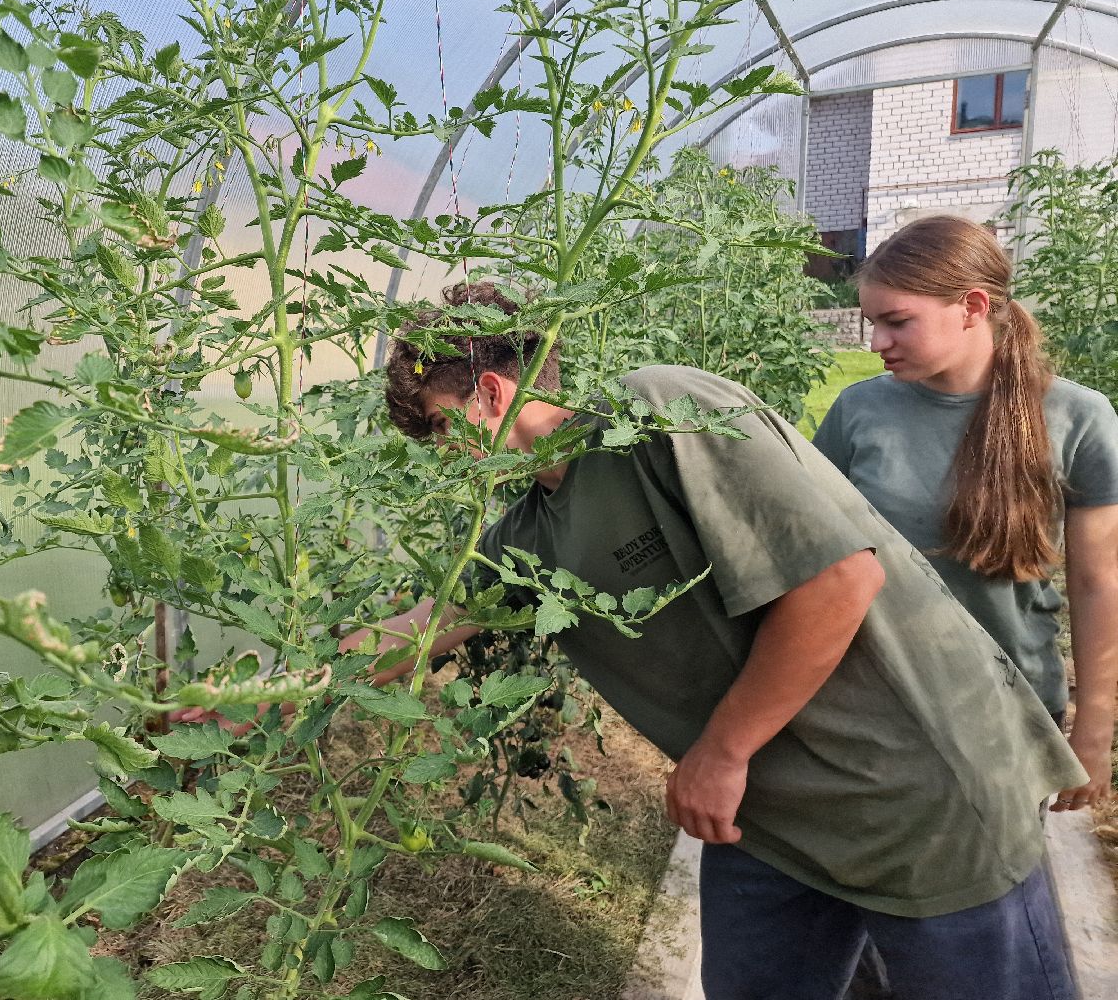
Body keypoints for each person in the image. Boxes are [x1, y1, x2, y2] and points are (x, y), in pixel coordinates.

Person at [369, 279, 1085, 1000]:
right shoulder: (526, 533)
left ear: (492, 394)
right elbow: (419, 630)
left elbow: (839, 582)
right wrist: (271, 693)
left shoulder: (659, 413)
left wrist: (722, 751)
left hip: (919, 795)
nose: (443, 455)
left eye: (441, 428)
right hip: (771, 825)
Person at [813, 215, 1118, 816]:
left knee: (990, 895)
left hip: (1011, 709)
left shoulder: (1078, 418)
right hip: (881, 704)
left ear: (973, 305)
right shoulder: (858, 411)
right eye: (873, 323)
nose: (877, 343)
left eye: (897, 321)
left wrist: (1095, 727)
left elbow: (1097, 582)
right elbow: (818, 558)